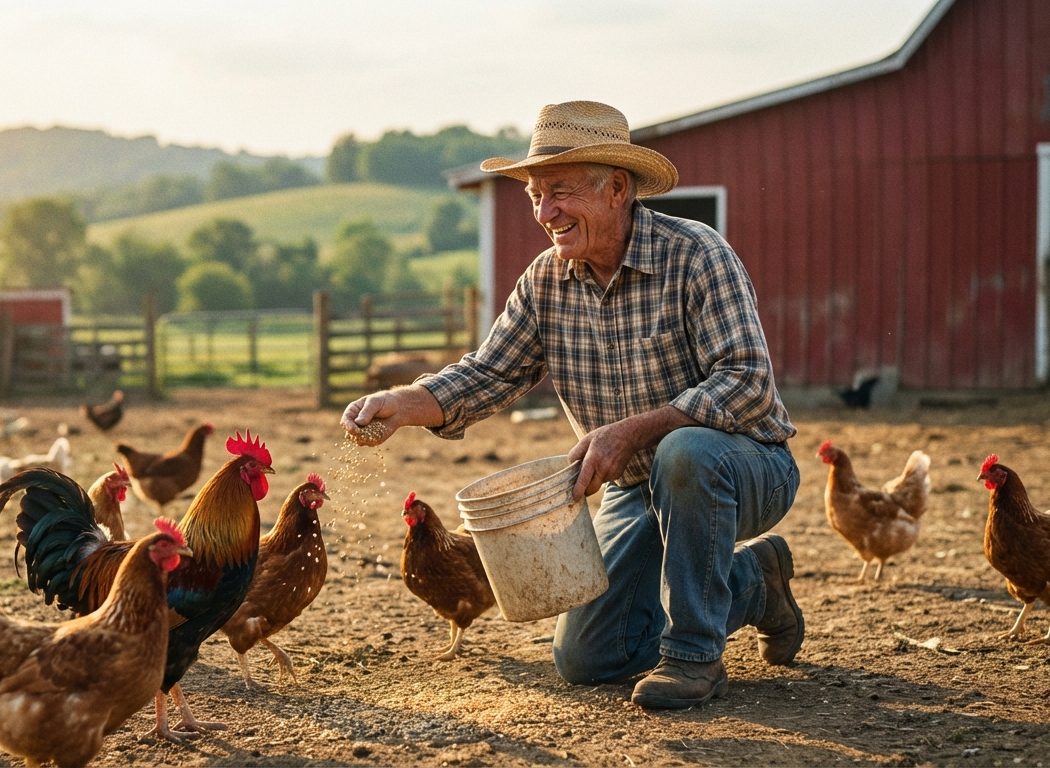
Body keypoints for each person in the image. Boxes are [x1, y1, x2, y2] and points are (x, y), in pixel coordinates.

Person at [341, 101, 802, 710]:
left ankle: (695, 657)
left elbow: (748, 381)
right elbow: (487, 374)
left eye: (559, 192)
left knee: (684, 451)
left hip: (743, 467)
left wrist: (634, 432)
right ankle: (756, 583)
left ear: (616, 189)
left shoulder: (695, 254)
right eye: (535, 195)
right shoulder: (545, 282)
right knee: (588, 658)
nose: (543, 212)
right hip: (636, 489)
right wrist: (401, 403)